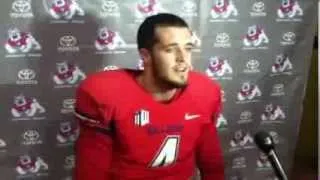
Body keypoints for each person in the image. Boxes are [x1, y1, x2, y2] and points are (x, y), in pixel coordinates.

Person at [73, 13, 225, 180]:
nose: (184, 60)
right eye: (170, 50)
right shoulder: (105, 93)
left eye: (187, 49)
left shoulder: (204, 92)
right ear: (146, 56)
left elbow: (212, 164)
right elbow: (91, 172)